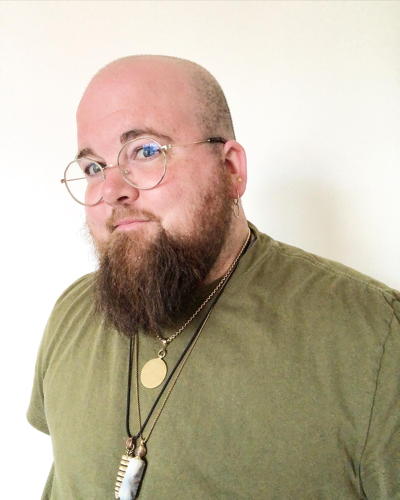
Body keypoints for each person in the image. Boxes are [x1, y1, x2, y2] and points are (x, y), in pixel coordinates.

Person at [28, 55, 400, 500]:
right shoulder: (73, 313)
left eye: (145, 151)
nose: (111, 191)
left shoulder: (375, 337)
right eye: (93, 167)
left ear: (230, 169)